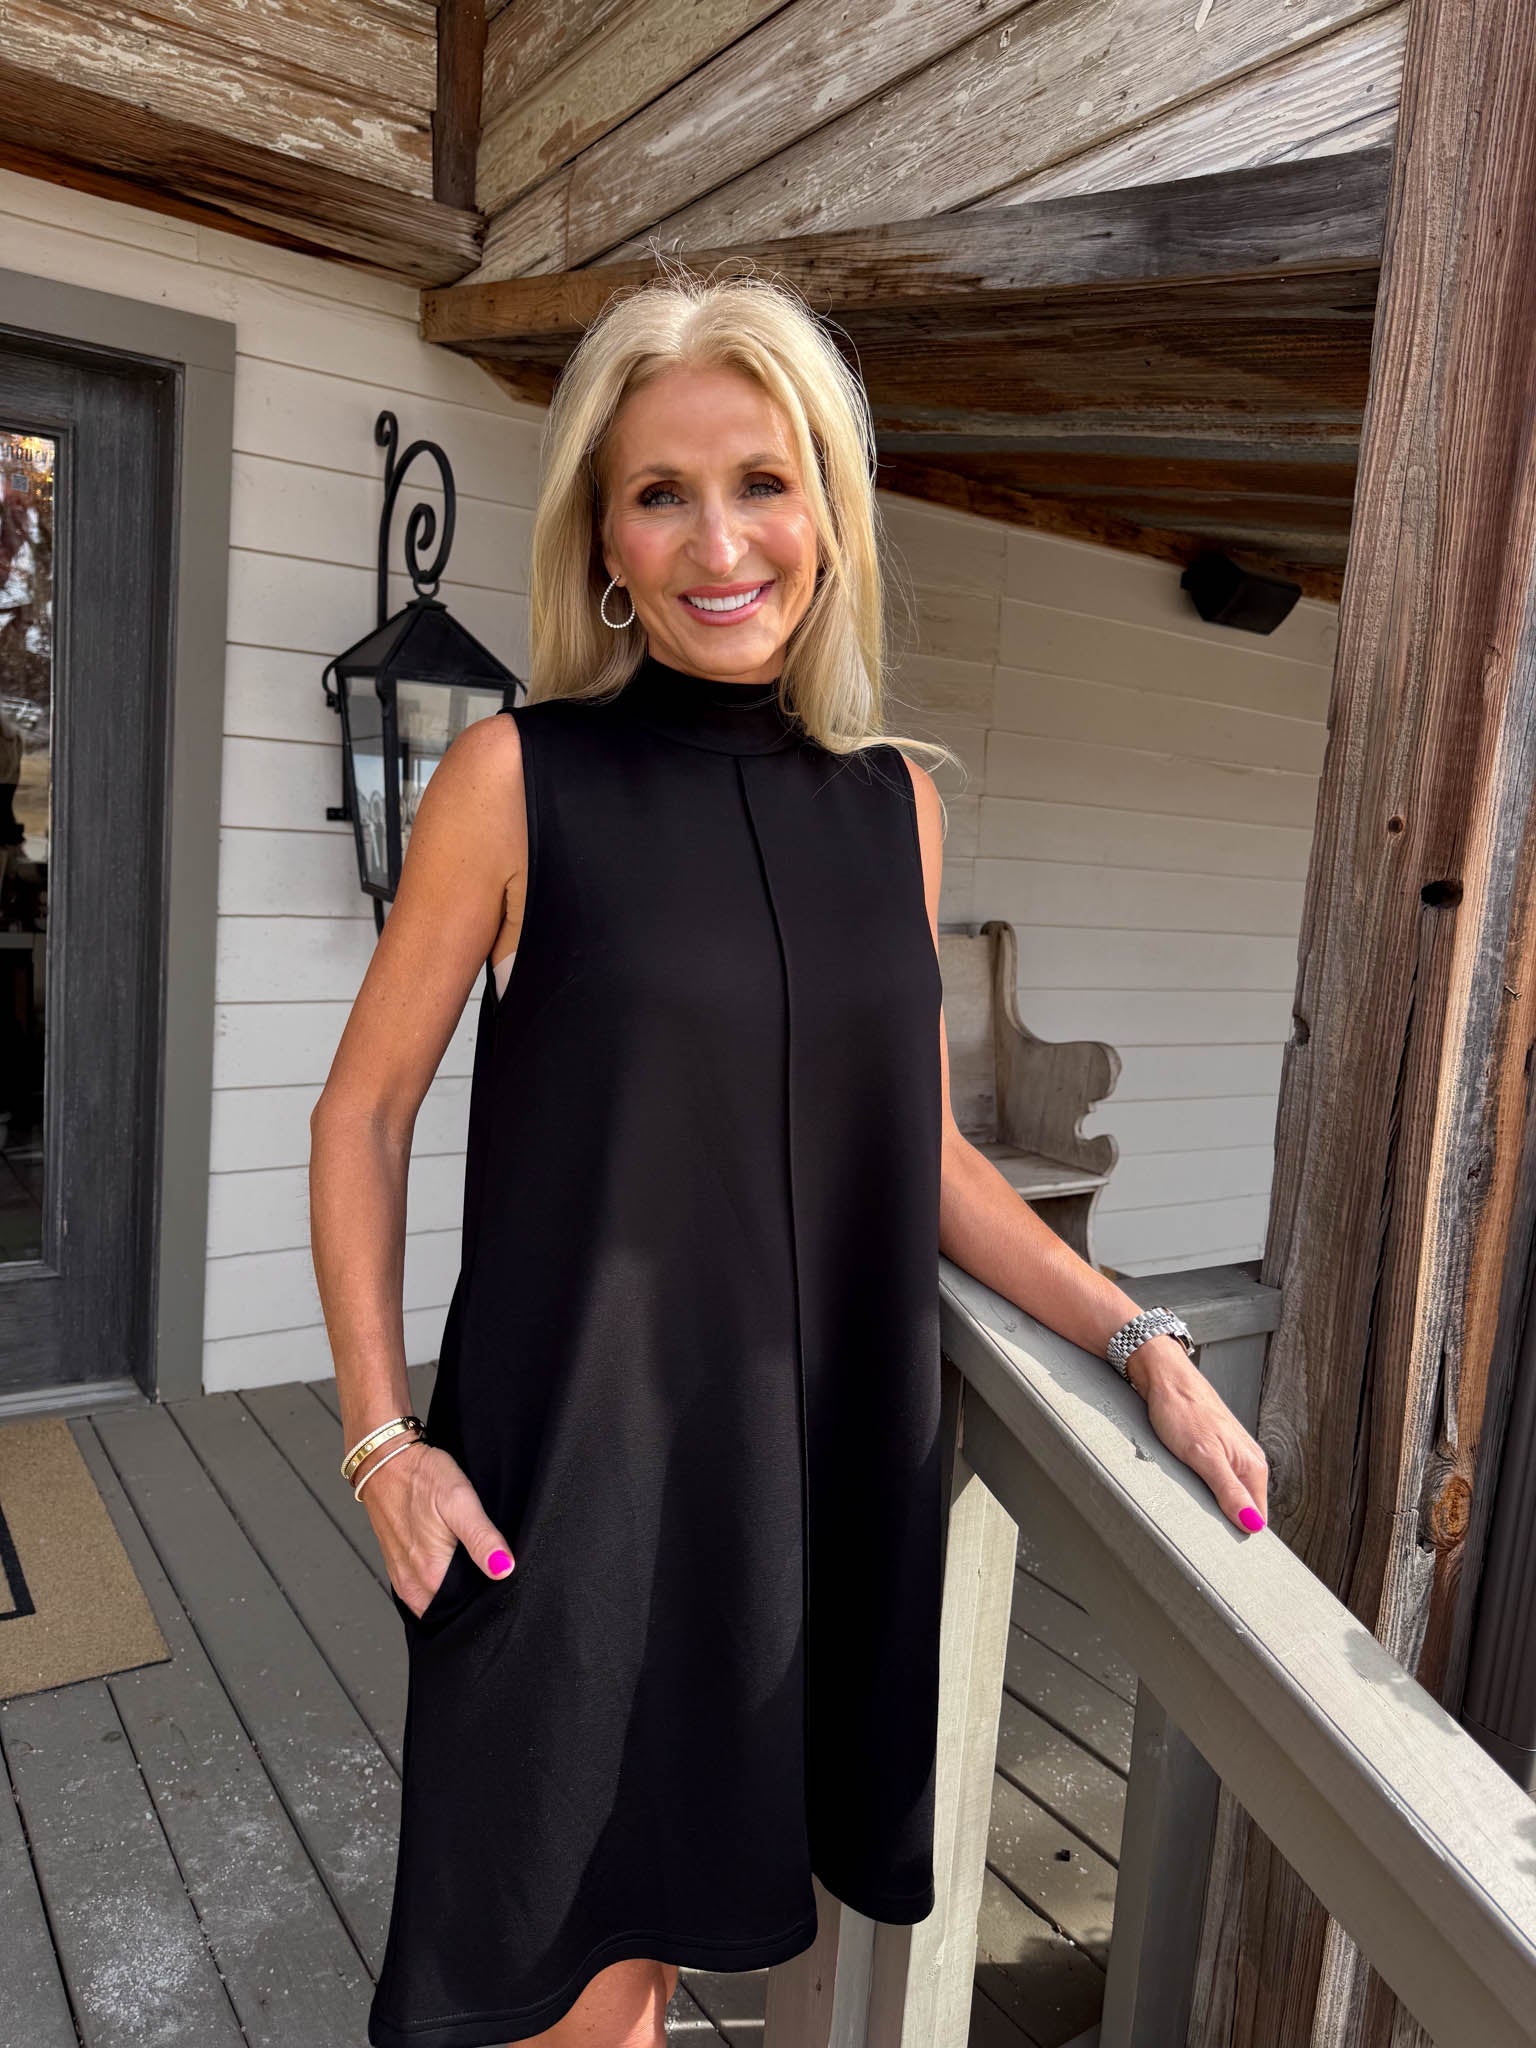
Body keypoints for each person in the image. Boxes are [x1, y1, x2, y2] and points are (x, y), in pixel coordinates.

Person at [309, 268, 1269, 2048]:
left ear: (830, 509)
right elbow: (359, 1113)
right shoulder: (516, 780)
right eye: (660, 494)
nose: (719, 542)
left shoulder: (895, 805)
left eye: (763, 481)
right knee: (555, 1985)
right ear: (604, 539)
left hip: (801, 1494)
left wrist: (1136, 1337)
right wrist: (380, 1445)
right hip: (570, 1493)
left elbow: (923, 1153)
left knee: (663, 1967)